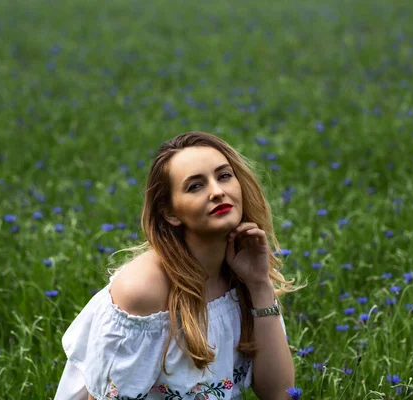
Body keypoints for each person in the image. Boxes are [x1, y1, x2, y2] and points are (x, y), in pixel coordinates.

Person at [54, 131, 307, 400]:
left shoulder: (242, 271)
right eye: (195, 186)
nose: (217, 192)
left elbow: (279, 394)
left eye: (224, 176)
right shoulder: (143, 290)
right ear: (170, 213)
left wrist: (259, 284)